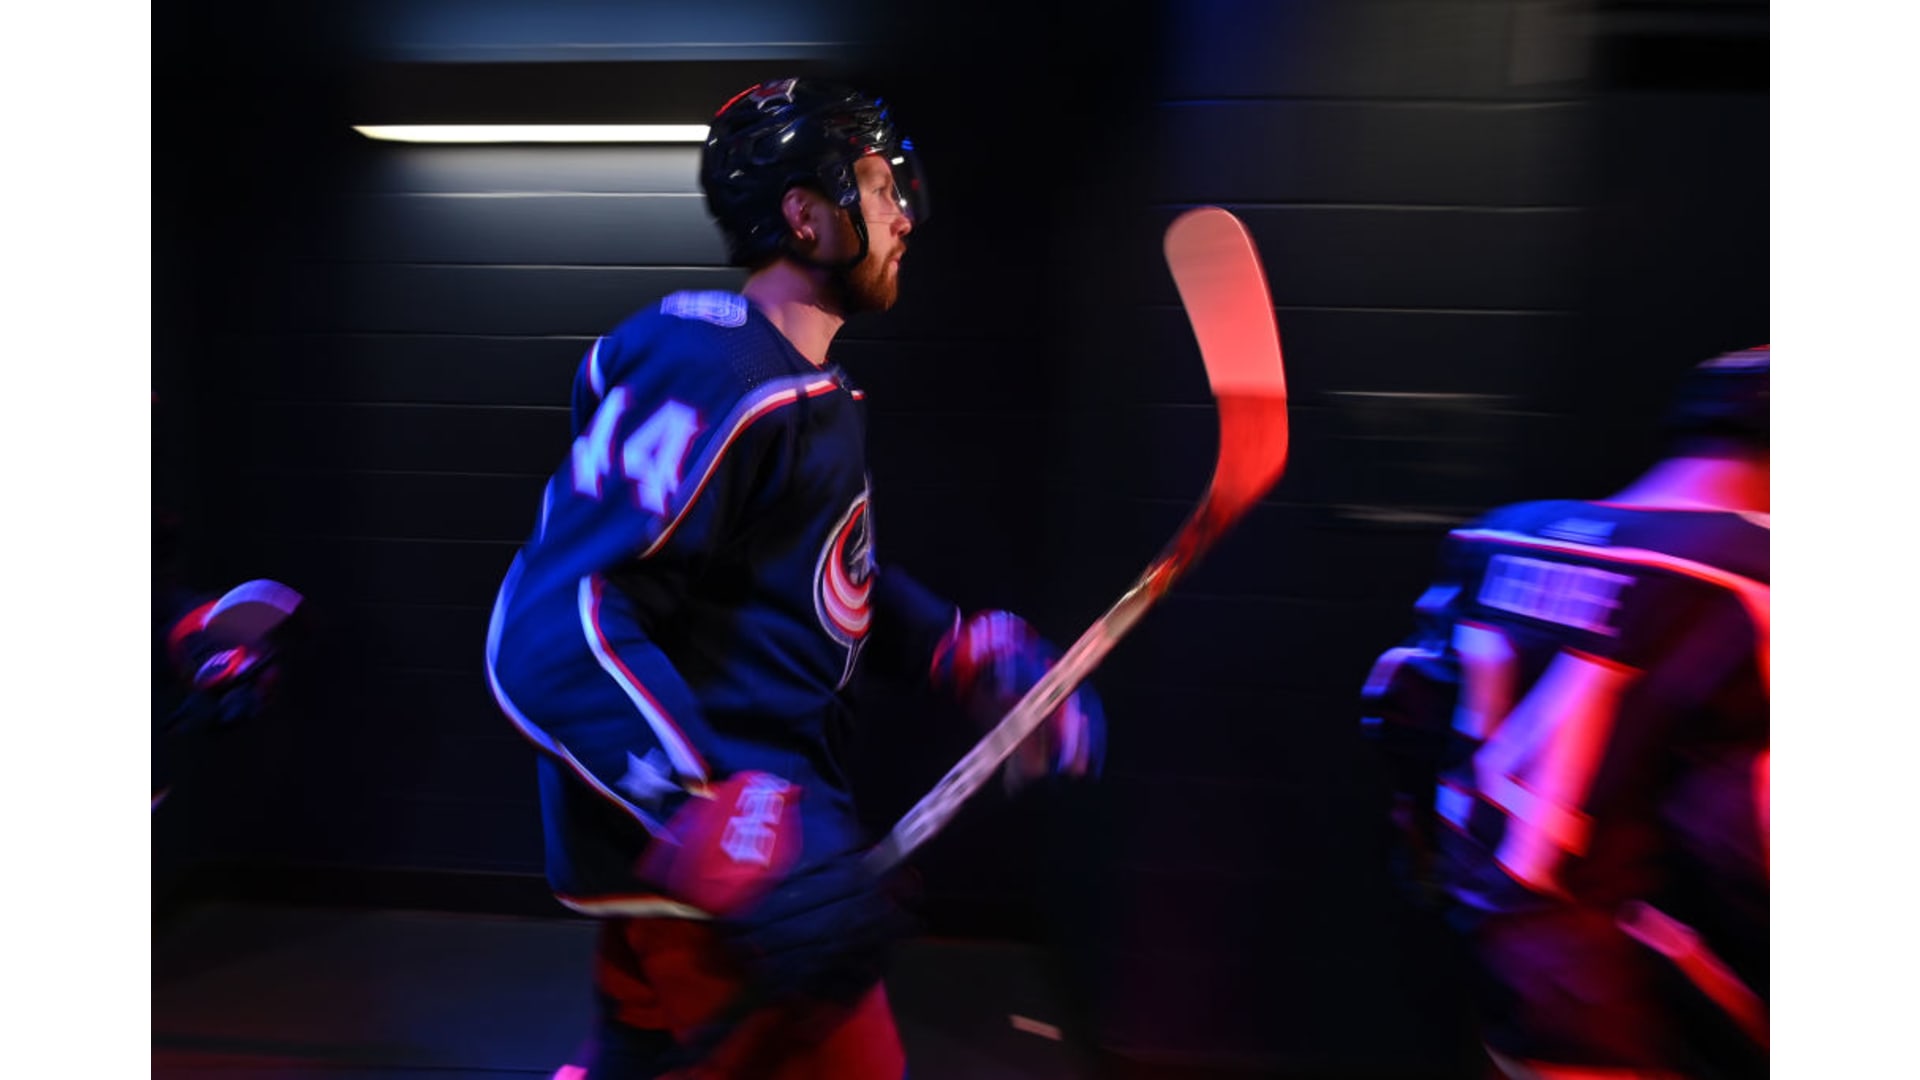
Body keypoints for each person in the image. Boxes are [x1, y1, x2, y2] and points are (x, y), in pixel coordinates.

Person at [484, 77, 1104, 1080]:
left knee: (636, 1058)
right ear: (808, 215)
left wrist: (958, 650)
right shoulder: (713, 367)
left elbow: (819, 579)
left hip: (744, 839)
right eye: (880, 187)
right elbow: (554, 619)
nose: (904, 215)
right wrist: (706, 817)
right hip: (725, 855)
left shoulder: (807, 387)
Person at [1359, 347, 1769, 1079]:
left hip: (1505, 966)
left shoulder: (1500, 537)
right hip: (1646, 994)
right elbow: (1745, 834)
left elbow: (1402, 710)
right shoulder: (1753, 575)